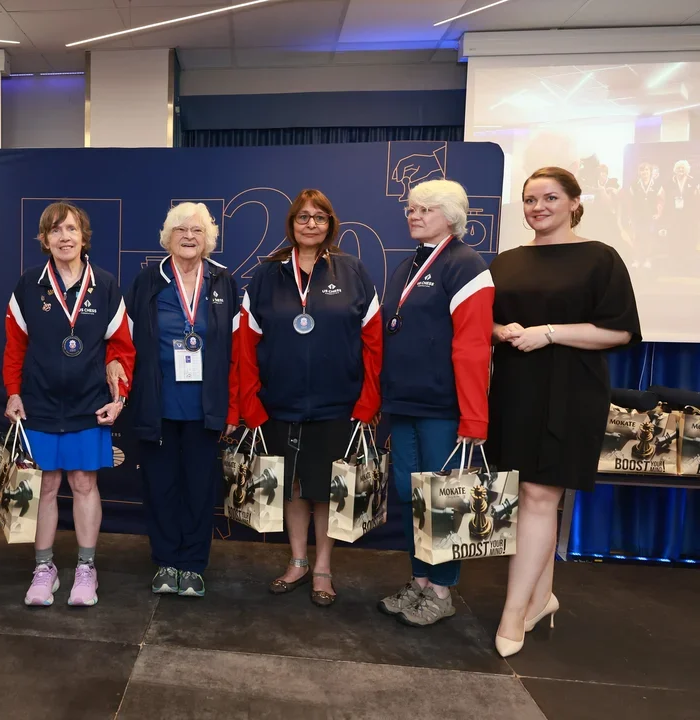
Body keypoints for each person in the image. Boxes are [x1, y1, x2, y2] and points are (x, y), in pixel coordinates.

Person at [487, 167, 641, 657]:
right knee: (532, 496)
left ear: (574, 202)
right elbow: (483, 320)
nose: (539, 207)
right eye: (531, 199)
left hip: (572, 389)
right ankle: (541, 597)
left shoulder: (600, 258)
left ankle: (514, 613)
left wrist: (549, 332)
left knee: (537, 492)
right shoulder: (506, 261)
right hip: (515, 387)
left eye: (550, 197)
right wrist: (500, 331)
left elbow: (619, 331)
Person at [239, 189, 382, 607]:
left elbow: (373, 342)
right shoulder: (267, 274)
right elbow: (246, 344)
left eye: (319, 217)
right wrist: (251, 402)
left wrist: (368, 401)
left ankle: (323, 567)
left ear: (330, 224)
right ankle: (297, 561)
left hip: (337, 404)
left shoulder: (353, 270)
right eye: (303, 217)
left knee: (328, 490)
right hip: (279, 404)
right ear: (291, 224)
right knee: (293, 488)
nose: (310, 224)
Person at [3, 202, 135, 607]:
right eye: (55, 230)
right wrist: (13, 391)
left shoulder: (107, 285)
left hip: (89, 403)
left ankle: (85, 569)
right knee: (46, 486)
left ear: (83, 236)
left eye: (71, 229)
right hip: (39, 402)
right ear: (44, 239)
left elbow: (122, 346)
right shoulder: (28, 285)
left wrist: (120, 393)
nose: (64, 236)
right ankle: (44, 570)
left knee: (83, 483)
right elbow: (14, 347)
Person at [377, 179, 495, 626]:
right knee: (412, 498)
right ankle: (420, 581)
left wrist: (473, 417)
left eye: (424, 209)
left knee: (442, 502)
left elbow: (473, 347)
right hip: (404, 405)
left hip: (444, 410)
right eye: (410, 208)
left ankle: (442, 590)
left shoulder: (466, 266)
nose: (413, 214)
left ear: (452, 216)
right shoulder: (408, 264)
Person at [124, 202, 240, 598]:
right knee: (160, 486)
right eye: (180, 230)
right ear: (167, 237)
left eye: (197, 231)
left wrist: (234, 406)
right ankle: (165, 561)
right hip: (157, 404)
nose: (189, 237)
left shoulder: (224, 281)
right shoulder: (147, 281)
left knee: (199, 487)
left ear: (208, 239)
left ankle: (192, 565)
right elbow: (126, 343)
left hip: (205, 407)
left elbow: (238, 350)